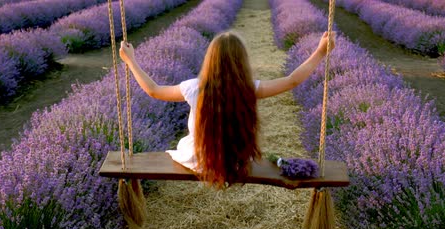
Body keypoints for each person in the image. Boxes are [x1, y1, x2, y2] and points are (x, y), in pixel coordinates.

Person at [119, 30, 335, 189]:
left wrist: (131, 61)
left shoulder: (193, 87)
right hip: (236, 161)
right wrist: (320, 52)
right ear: (242, 61)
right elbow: (291, 81)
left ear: (209, 60)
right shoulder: (248, 88)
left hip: (198, 160)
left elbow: (154, 90)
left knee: (187, 144)